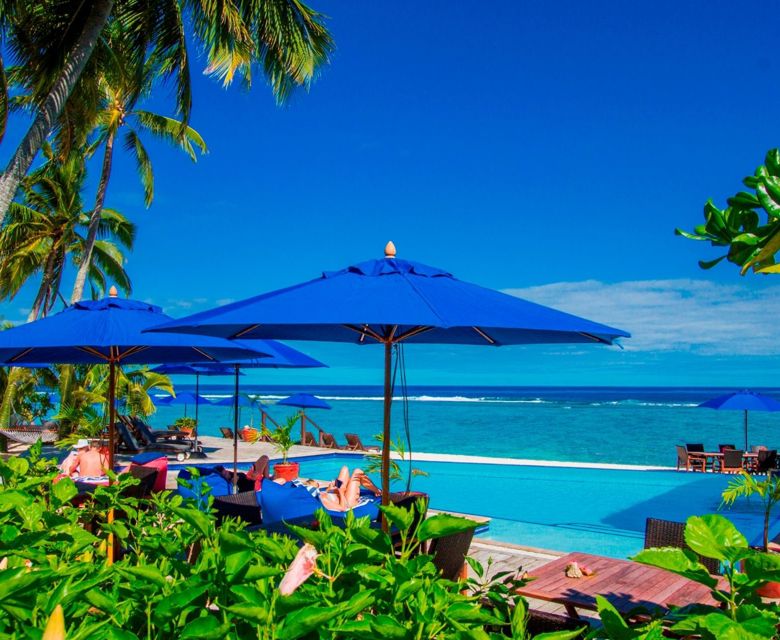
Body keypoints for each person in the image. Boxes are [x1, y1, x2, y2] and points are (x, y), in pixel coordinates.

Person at [316, 466, 380, 512]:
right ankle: (379, 491)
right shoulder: (323, 499)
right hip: (346, 501)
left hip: (336, 492)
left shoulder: (319, 494)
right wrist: (341, 492)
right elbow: (343, 508)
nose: (317, 485)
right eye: (315, 484)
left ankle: (377, 490)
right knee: (357, 472)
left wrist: (330, 487)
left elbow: (328, 494)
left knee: (344, 468)